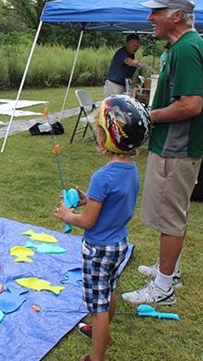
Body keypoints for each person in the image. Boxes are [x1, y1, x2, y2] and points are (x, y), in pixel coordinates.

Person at [122, 0, 203, 306]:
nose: (149, 18)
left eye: (156, 12)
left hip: (177, 147)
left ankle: (163, 288)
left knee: (171, 218)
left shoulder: (187, 48)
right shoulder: (183, 46)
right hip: (177, 146)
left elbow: (191, 105)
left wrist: (147, 115)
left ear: (176, 15)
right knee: (173, 214)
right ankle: (168, 271)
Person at [54, 95, 151, 361]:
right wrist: (89, 199)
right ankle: (100, 331)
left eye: (99, 131)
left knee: (97, 308)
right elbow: (113, 203)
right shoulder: (130, 170)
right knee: (109, 292)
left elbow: (87, 222)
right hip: (119, 244)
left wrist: (67, 214)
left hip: (97, 250)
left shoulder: (102, 176)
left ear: (109, 138)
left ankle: (96, 356)